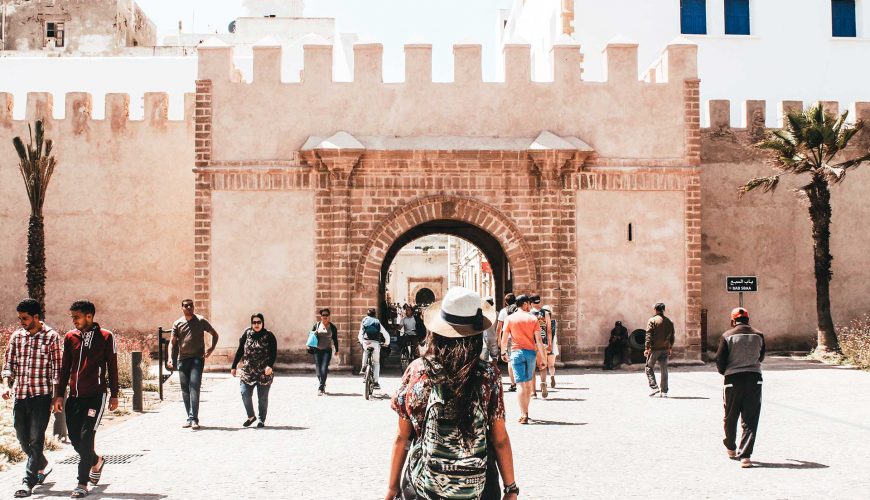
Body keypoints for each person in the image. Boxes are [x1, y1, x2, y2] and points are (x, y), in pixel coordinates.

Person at [387, 287, 518, 500]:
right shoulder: (488, 375)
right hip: (478, 488)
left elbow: (403, 437)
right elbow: (499, 439)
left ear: (437, 331)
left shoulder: (417, 370)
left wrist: (392, 489)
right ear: (476, 334)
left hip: (425, 486)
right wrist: (510, 488)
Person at [52, 300, 119, 499]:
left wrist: (114, 394)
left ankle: (82, 484)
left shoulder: (106, 337)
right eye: (72, 317)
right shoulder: (70, 337)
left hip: (96, 397)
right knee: (75, 438)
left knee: (86, 436)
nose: (74, 321)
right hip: (75, 397)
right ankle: (96, 461)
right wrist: (59, 394)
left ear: (89, 316)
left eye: (77, 317)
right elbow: (65, 368)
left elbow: (113, 367)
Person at [2, 299, 61, 498]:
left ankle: (28, 481)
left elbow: (57, 371)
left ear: (36, 317)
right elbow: (8, 364)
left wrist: (56, 397)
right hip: (20, 395)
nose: (21, 322)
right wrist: (5, 385)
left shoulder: (51, 337)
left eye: (25, 318)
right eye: (20, 318)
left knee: (36, 440)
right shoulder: (17, 337)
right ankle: (41, 463)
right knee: (22, 437)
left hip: (41, 397)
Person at [715, 307, 765, 468]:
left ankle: (731, 447)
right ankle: (745, 456)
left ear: (732, 320)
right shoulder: (759, 335)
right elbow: (761, 356)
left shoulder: (727, 336)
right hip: (754, 378)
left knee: (730, 415)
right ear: (748, 319)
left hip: (732, 380)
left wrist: (726, 372)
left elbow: (719, 360)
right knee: (750, 418)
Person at [168, 299, 219, 429]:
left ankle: (194, 419)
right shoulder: (177, 323)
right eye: (186, 306)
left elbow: (215, 334)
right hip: (182, 360)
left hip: (197, 359)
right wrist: (169, 358)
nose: (189, 307)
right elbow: (172, 343)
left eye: (191, 305)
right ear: (182, 308)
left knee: (194, 387)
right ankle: (189, 418)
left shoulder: (201, 320)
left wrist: (211, 348)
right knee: (185, 390)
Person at [500, 294, 546, 424]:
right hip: (530, 353)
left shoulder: (509, 319)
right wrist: (542, 358)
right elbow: (539, 341)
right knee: (527, 384)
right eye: (529, 304)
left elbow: (504, 339)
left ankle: (523, 413)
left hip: (516, 352)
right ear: (525, 304)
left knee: (520, 384)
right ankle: (526, 411)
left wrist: (503, 352)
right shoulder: (532, 319)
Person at [231, 313, 277, 427]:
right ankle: (251, 416)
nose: (256, 324)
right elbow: (240, 350)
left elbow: (273, 353)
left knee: (262, 398)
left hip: (263, 372)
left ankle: (261, 420)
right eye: (254, 322)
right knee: (244, 393)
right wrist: (234, 366)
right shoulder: (247, 334)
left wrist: (270, 366)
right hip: (248, 371)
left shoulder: (269, 335)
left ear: (262, 323)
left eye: (259, 322)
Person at [644, 302, 675, 398]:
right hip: (665, 348)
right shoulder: (669, 321)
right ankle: (664, 391)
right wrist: (670, 347)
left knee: (648, 367)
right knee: (664, 370)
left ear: (656, 310)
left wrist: (647, 348)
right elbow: (672, 336)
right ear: (663, 310)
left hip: (655, 349)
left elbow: (648, 335)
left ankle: (654, 387)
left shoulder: (652, 320)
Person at [358, 308, 390, 390]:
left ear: (367, 314)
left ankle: (364, 367)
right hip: (375, 343)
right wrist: (387, 343)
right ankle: (375, 382)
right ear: (375, 314)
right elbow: (385, 333)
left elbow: (361, 333)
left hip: (366, 342)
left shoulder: (364, 320)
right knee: (376, 363)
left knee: (365, 351)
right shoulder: (377, 322)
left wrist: (361, 341)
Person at [310, 308, 339, 395]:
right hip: (317, 350)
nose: (325, 316)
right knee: (318, 369)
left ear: (329, 316)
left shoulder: (332, 327)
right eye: (323, 315)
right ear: (321, 316)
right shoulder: (317, 325)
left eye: (327, 315)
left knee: (324, 368)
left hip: (327, 350)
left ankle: (321, 387)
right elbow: (310, 336)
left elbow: (335, 339)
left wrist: (337, 350)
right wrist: (314, 333)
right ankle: (322, 382)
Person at [530, 295, 552, 397]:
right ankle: (543, 383)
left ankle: (533, 392)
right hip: (542, 343)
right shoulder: (546, 313)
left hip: (531, 343)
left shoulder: (529, 314)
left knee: (532, 369)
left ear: (531, 302)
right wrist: (550, 344)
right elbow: (549, 331)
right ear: (539, 301)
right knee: (543, 367)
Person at [495, 293, 517, 392]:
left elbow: (499, 328)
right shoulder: (518, 310)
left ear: (506, 302)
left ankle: (513, 384)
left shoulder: (503, 311)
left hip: (508, 338)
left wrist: (499, 341)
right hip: (519, 337)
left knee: (510, 360)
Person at [540, 304, 558, 387]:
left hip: (543, 345)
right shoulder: (554, 322)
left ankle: (544, 382)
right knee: (551, 365)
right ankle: (552, 376)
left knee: (543, 366)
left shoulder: (541, 323)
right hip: (552, 345)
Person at [480, 297, 499, 363]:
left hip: (484, 338)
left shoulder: (482, 314)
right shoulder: (496, 313)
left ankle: (488, 371)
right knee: (494, 356)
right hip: (494, 337)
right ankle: (495, 368)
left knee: (485, 358)